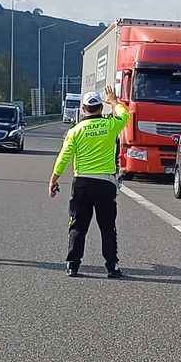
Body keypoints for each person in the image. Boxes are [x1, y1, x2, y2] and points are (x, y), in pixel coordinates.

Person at [49, 86, 130, 278]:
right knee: (107, 227)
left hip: (82, 183)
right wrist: (114, 101)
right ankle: (112, 267)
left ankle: (73, 265)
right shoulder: (111, 125)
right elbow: (125, 114)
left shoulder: (75, 130)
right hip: (105, 184)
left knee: (78, 225)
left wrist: (54, 178)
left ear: (83, 109)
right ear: (101, 108)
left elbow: (64, 156)